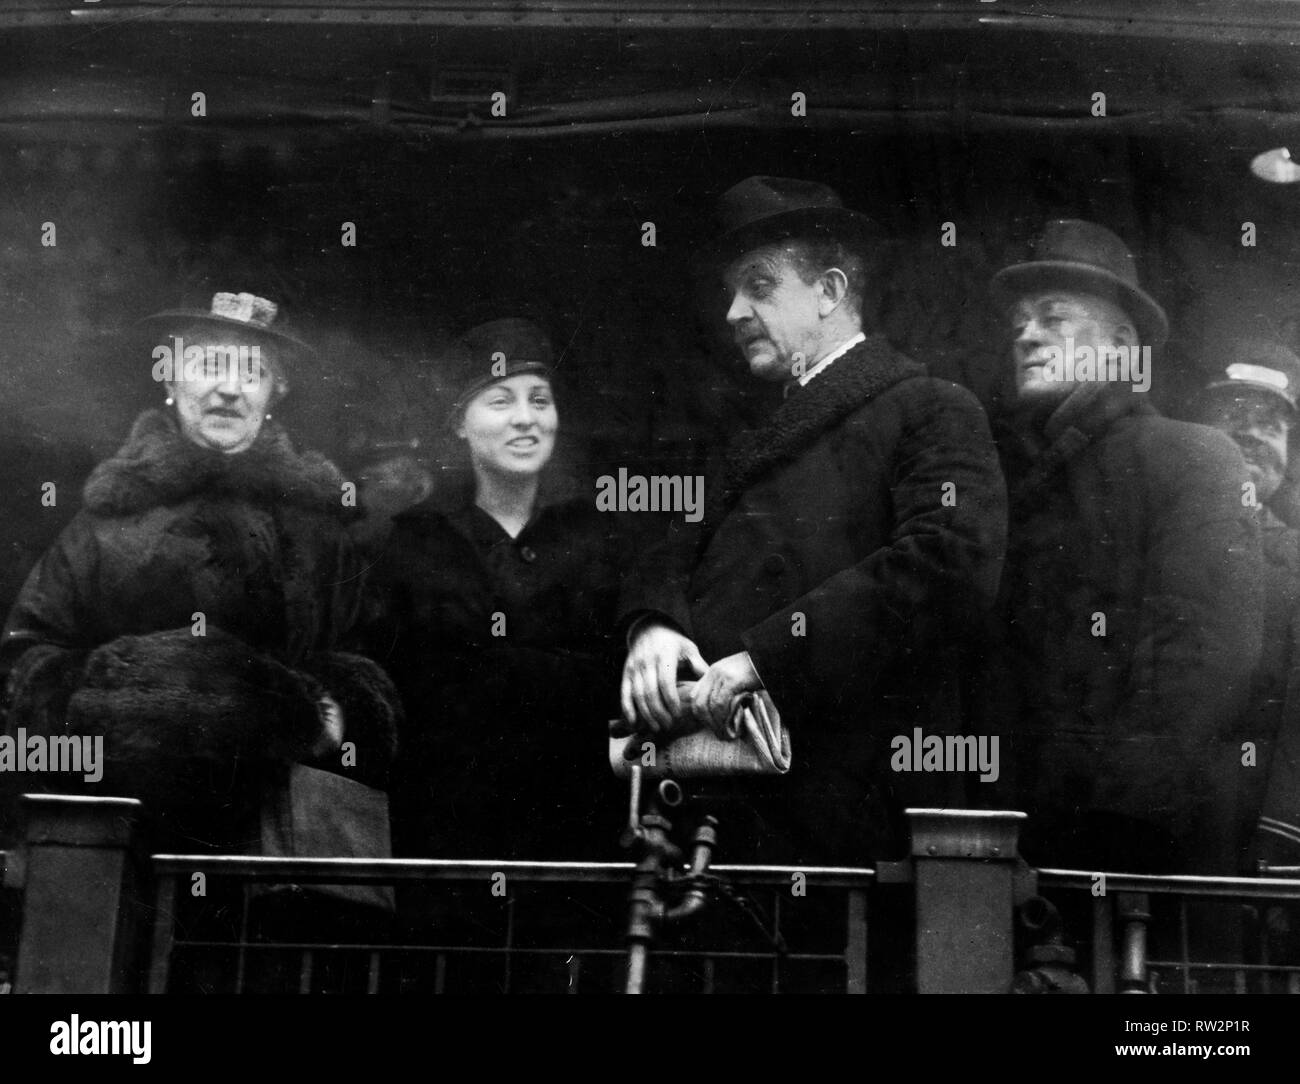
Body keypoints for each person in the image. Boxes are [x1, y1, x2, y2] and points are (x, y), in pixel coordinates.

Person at [0, 287, 402, 987]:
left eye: (250, 370)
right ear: (170, 373)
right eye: (208, 363)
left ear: (277, 389)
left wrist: (314, 712)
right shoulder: (101, 524)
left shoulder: (321, 530)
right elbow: (25, 665)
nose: (226, 387)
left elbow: (380, 677)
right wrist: (137, 699)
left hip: (276, 862)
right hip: (128, 855)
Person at [619, 176, 1008, 867]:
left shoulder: (929, 408)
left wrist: (768, 658)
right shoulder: (750, 432)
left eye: (760, 287)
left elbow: (948, 564)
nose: (735, 312)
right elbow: (672, 538)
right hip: (716, 807)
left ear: (829, 293)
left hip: (845, 820)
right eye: (732, 293)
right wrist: (654, 624)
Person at [989, 220, 1262, 877]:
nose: (1026, 334)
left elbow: (1202, 655)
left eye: (1052, 316)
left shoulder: (1194, 457)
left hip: (1138, 859)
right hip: (1019, 852)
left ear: (1119, 344)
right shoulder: (1005, 475)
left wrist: (1112, 834)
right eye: (1020, 321)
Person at [366, 317, 626, 860]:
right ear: (460, 424)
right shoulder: (410, 544)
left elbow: (614, 679)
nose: (526, 419)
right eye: (501, 401)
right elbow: (400, 689)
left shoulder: (599, 540)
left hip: (576, 833)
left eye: (540, 399)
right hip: (445, 833)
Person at [1188, 341, 1300, 873]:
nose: (1254, 434)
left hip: (1265, 834)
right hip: (1164, 819)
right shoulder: (1159, 540)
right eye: (1236, 417)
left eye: (1272, 425)